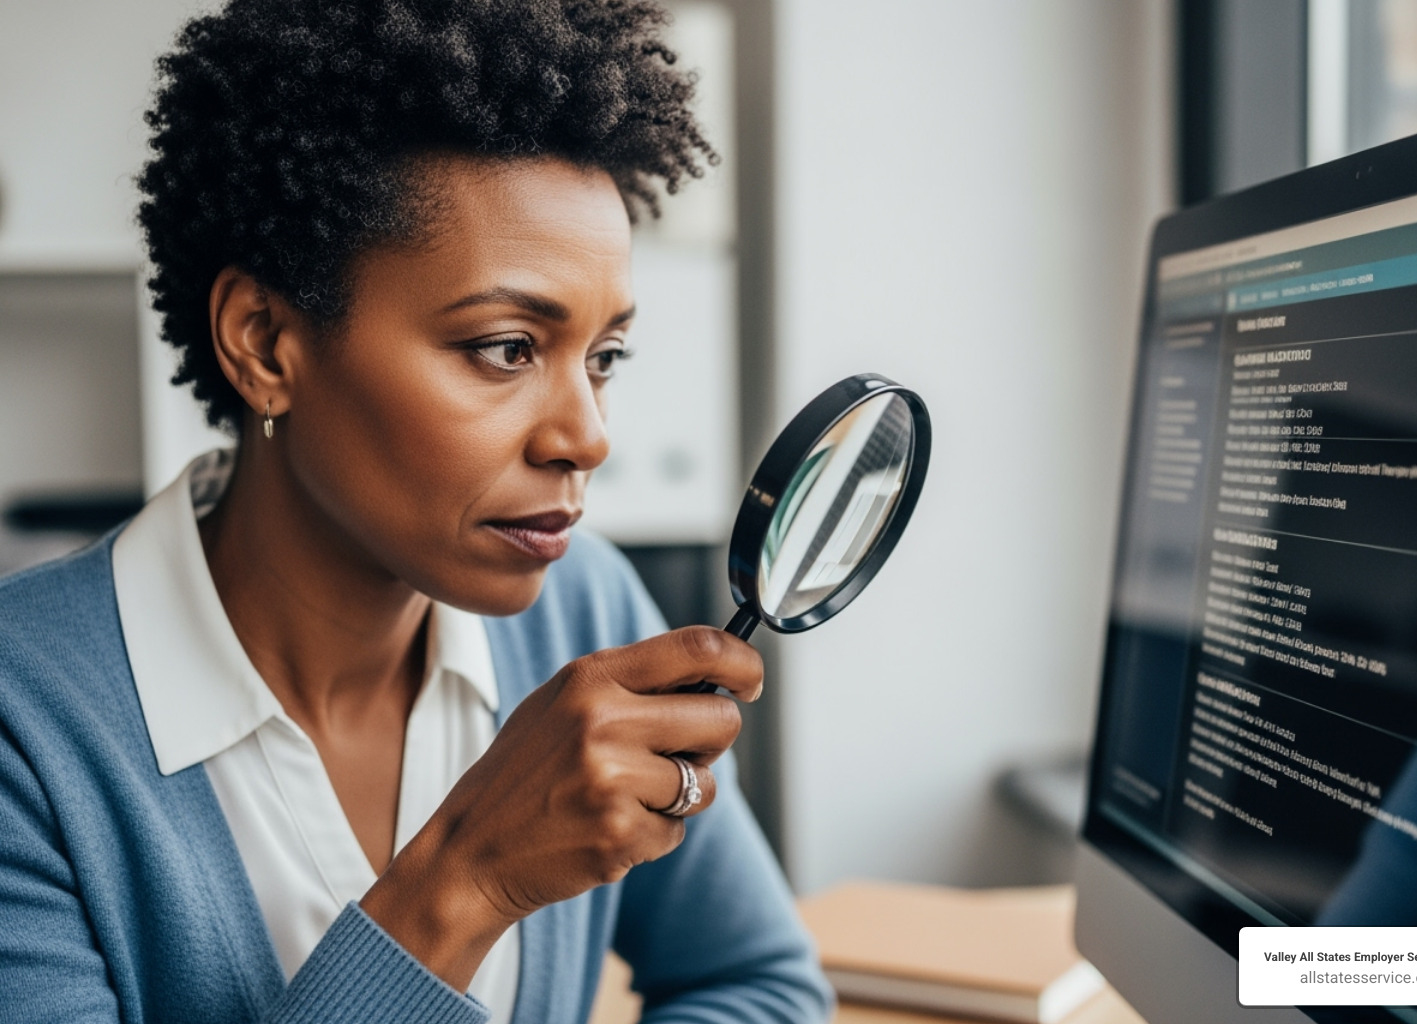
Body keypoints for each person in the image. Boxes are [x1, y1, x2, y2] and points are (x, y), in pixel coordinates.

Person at [0, 1, 833, 1022]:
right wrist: (469, 878)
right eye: (505, 348)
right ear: (264, 342)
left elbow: (757, 981)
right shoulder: (24, 732)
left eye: (603, 357)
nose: (587, 435)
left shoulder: (587, 611)